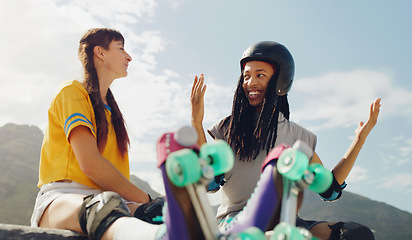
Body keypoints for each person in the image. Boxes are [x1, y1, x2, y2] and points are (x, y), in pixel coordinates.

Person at [190, 41, 380, 240]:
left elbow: (330, 190)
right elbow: (209, 182)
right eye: (246, 76)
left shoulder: (298, 136)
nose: (250, 82)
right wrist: (196, 121)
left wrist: (359, 140)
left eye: (259, 75)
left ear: (280, 81)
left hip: (286, 224)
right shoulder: (229, 129)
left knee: (356, 235)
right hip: (235, 223)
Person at [30, 28, 168, 240]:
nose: (128, 56)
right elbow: (90, 163)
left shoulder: (112, 113)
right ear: (100, 53)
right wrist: (147, 199)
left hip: (113, 201)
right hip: (64, 200)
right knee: (104, 208)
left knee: (161, 217)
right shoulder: (72, 92)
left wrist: (149, 207)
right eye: (121, 48)